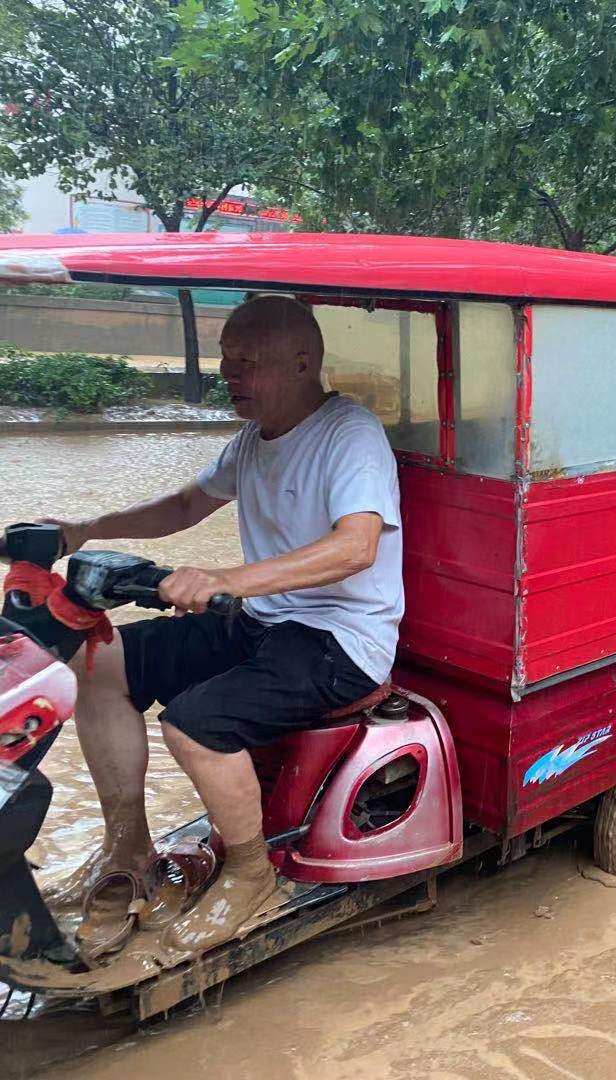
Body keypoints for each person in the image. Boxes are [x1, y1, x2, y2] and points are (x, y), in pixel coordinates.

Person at [43, 294, 404, 952]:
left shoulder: (349, 433)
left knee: (194, 723)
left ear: (301, 364)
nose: (230, 375)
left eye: (247, 363)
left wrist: (227, 580)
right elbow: (185, 505)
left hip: (341, 640)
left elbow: (357, 546)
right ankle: (129, 848)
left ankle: (249, 873)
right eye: (226, 361)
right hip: (262, 619)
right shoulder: (253, 438)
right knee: (94, 662)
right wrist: (83, 531)